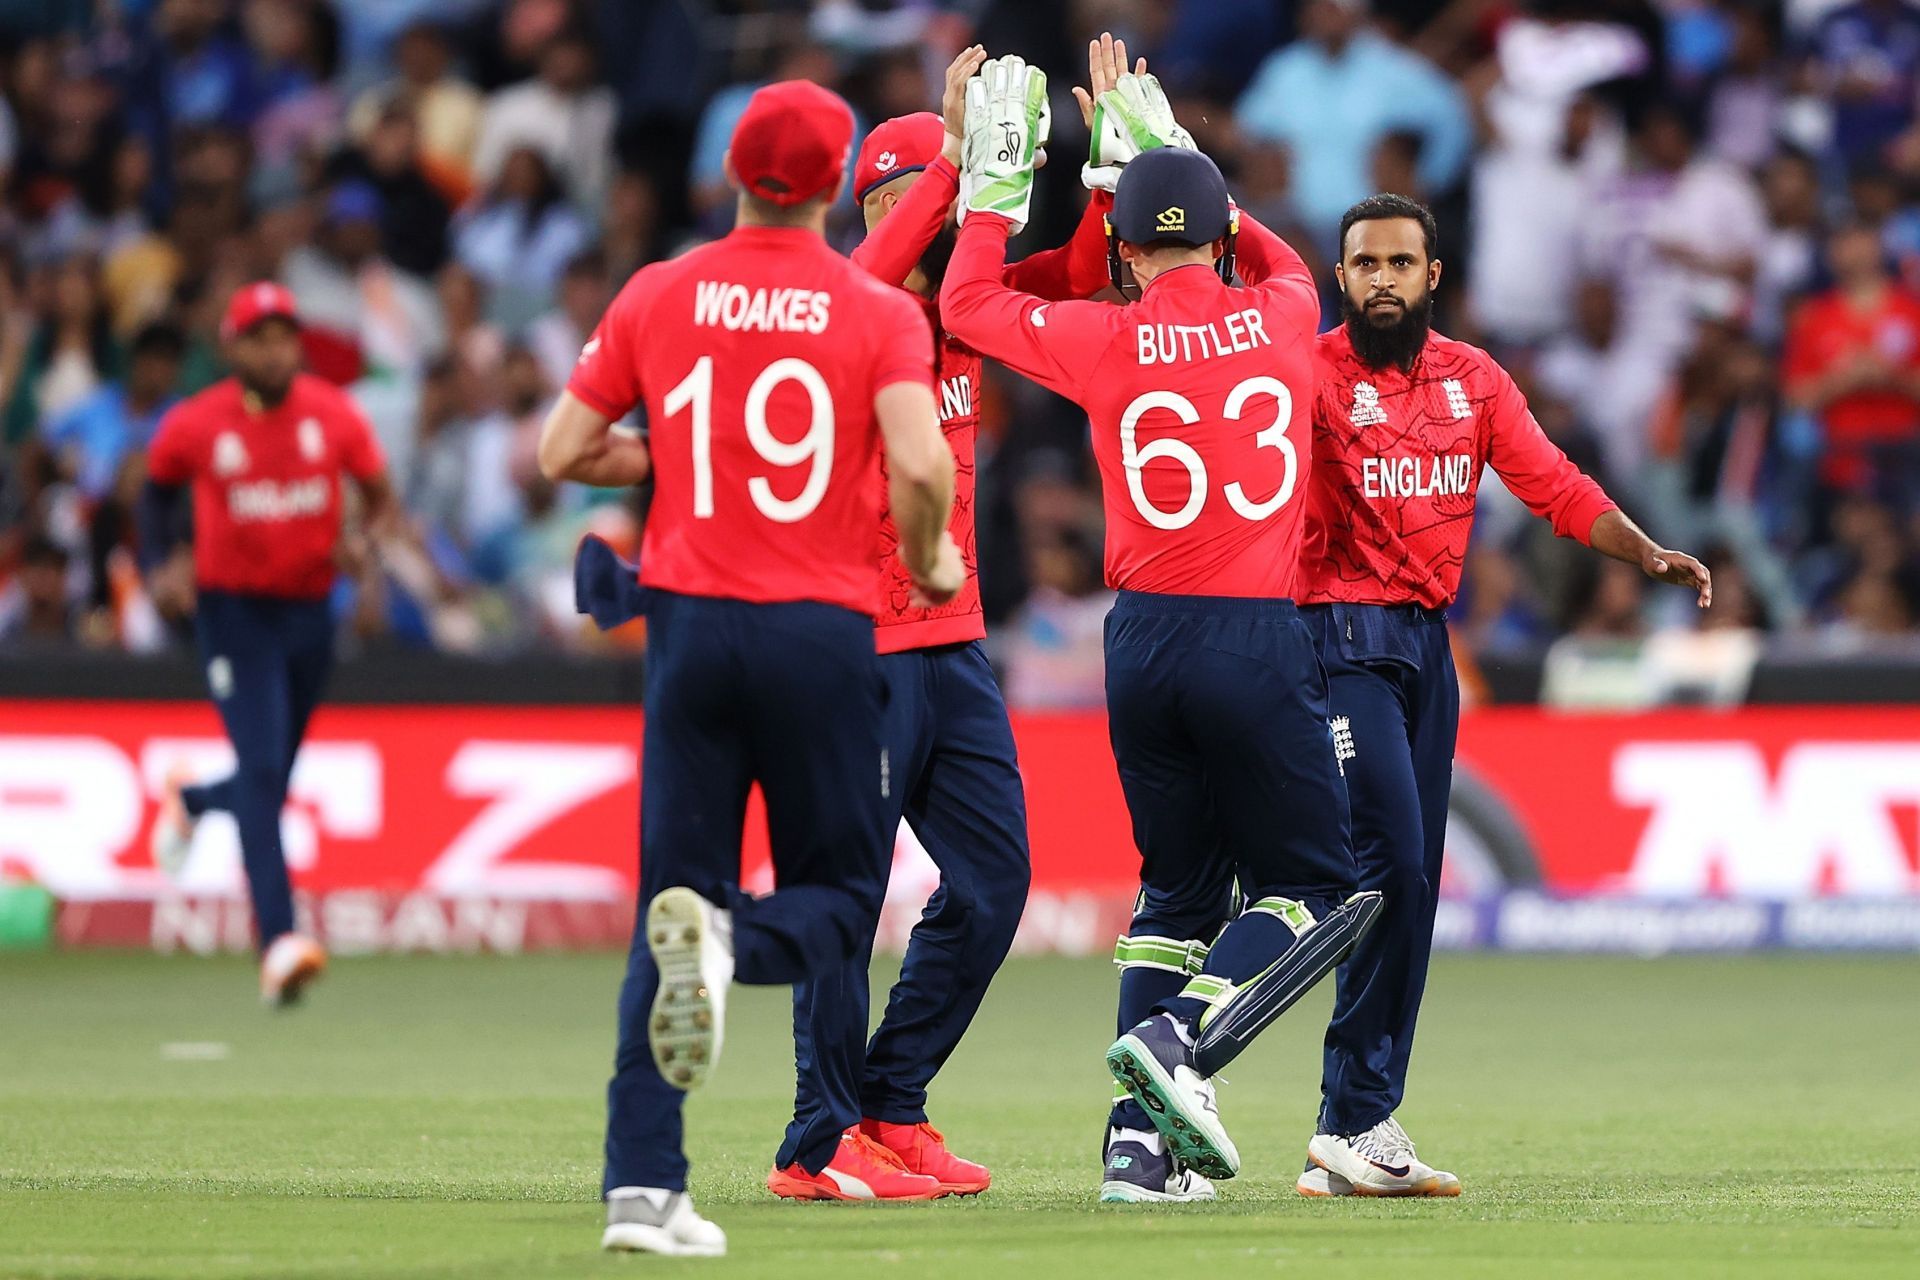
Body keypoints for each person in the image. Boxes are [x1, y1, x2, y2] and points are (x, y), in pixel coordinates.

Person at [535, 79, 961, 1258]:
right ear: (833, 185)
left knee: (668, 897)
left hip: (686, 628)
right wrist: (927, 558)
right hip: (817, 632)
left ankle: (643, 1188)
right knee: (834, 899)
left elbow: (563, 447)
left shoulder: (657, 291)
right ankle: (727, 950)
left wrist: (669, 452)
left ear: (730, 170)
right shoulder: (872, 306)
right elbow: (922, 466)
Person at [941, 56, 1375, 1204]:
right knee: (1319, 889)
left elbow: (965, 307)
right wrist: (1185, 149)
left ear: (1126, 253)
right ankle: (1182, 1042)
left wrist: (992, 204)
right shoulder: (1283, 313)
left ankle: (1138, 1152)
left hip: (1136, 643)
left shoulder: (1103, 335)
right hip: (1254, 633)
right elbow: (1283, 260)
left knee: (1177, 892)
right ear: (1220, 238)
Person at [1294, 193, 1712, 1198]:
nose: (1383, 278)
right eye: (1365, 263)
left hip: (1426, 643)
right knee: (1387, 860)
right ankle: (1320, 1108)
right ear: (1339, 277)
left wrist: (1643, 547)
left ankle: (1360, 1119)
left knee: (1416, 876)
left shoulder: (1474, 381)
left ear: (1434, 274)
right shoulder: (1301, 375)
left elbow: (1557, 487)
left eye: (1402, 261)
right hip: (1332, 635)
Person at [772, 43, 1112, 1204]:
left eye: (947, 196)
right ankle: (815, 1139)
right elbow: (865, 279)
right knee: (846, 892)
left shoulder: (972, 310)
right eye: (898, 200)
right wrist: (949, 164)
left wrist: (1114, 166)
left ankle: (890, 1100)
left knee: (996, 881)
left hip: (953, 643)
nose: (926, 219)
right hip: (851, 648)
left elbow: (1078, 271)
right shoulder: (840, 308)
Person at [140, 282, 396, 1007]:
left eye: (285, 335)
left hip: (310, 610)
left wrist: (363, 553)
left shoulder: (334, 414)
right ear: (233, 347)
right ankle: (279, 941)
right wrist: (164, 563)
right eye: (259, 337)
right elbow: (155, 495)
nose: (275, 350)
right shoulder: (198, 424)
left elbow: (380, 499)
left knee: (270, 779)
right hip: (233, 615)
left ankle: (192, 799)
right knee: (261, 775)